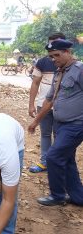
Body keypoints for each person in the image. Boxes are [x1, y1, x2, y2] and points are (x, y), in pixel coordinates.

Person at [28, 39, 83, 206]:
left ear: (68, 52)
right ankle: (78, 197)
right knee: (67, 160)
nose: (54, 59)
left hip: (76, 124)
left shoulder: (80, 70)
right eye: (51, 56)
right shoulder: (59, 72)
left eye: (56, 55)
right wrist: (36, 121)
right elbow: (49, 100)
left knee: (53, 157)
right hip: (60, 124)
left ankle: (58, 195)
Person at [28, 33, 65, 173]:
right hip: (42, 105)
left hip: (61, 107)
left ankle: (57, 163)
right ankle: (44, 162)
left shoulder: (70, 64)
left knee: (59, 135)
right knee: (45, 134)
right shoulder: (42, 62)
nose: (52, 47)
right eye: (50, 44)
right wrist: (31, 104)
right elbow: (35, 83)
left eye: (56, 43)